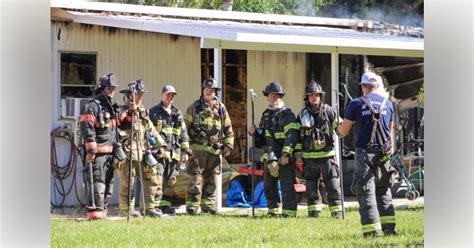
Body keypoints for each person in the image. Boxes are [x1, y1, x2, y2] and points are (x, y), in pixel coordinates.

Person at [338, 71, 397, 237]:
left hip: (364, 154)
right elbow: (391, 131)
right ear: (377, 86)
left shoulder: (356, 104)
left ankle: (372, 231)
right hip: (385, 154)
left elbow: (343, 131)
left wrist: (338, 127)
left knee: (366, 190)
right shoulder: (389, 104)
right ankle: (389, 229)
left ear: (363, 87)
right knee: (384, 189)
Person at [117, 79, 167, 218]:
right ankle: (127, 210)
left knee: (151, 180)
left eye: (141, 93)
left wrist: (160, 143)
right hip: (128, 152)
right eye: (138, 93)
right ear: (130, 94)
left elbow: (150, 128)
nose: (140, 96)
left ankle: (149, 208)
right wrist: (129, 120)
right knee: (129, 184)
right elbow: (118, 127)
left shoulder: (143, 110)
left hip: (143, 151)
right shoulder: (122, 110)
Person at [184, 78, 234, 215]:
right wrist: (186, 148)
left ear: (215, 91)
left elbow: (228, 129)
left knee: (212, 180)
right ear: (203, 90)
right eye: (206, 89)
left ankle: (208, 207)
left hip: (214, 151)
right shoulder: (194, 107)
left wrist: (228, 145)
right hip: (197, 151)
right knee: (195, 180)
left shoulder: (221, 108)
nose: (208, 92)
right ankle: (192, 208)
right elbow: (184, 129)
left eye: (211, 90)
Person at [249, 81, 299, 217]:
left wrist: (286, 154)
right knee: (269, 186)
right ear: (267, 97)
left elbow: (292, 136)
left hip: (284, 157)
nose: (274, 99)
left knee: (287, 186)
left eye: (277, 96)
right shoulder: (266, 115)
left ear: (281, 97)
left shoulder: (287, 115)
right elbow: (260, 141)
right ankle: (273, 211)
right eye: (271, 96)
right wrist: (254, 132)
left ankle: (289, 213)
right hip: (270, 157)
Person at [294, 81, 343, 218]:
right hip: (309, 158)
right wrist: (298, 155)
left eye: (316, 95)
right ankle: (314, 213)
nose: (314, 97)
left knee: (333, 184)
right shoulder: (302, 115)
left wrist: (342, 129)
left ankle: (337, 212)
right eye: (311, 95)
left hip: (327, 156)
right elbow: (298, 138)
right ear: (307, 98)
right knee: (311, 188)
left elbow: (340, 129)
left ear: (321, 96)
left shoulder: (329, 111)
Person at [79, 73, 121, 220]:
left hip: (110, 153)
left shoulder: (112, 108)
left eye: (113, 88)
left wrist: (132, 112)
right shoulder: (92, 106)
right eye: (109, 88)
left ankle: (102, 212)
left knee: (108, 184)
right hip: (97, 155)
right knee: (97, 184)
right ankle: (94, 213)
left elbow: (120, 125)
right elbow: (87, 128)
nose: (112, 91)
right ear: (102, 88)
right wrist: (91, 150)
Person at [149, 85, 191, 215]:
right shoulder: (154, 112)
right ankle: (154, 207)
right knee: (158, 181)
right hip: (159, 155)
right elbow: (148, 133)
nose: (170, 97)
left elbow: (183, 133)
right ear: (162, 95)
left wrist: (185, 151)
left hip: (174, 155)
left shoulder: (177, 113)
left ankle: (165, 206)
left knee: (171, 182)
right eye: (168, 94)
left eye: (172, 95)